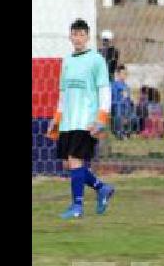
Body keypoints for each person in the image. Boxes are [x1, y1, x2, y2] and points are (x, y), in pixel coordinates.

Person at [45, 19, 116, 219]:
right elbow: (63, 93)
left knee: (75, 161)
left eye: (81, 34)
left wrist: (101, 118)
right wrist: (56, 118)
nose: (77, 38)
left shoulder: (96, 60)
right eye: (74, 34)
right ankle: (102, 188)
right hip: (68, 120)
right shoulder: (66, 61)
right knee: (69, 165)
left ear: (87, 36)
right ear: (70, 36)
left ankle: (77, 207)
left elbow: (104, 90)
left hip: (87, 120)